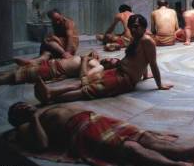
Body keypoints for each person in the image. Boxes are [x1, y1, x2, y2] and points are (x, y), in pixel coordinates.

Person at [7, 102, 194, 166]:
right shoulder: (27, 127)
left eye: (22, 103)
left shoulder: (43, 110)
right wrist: (33, 117)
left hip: (95, 119)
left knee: (142, 136)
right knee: (128, 147)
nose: (23, 106)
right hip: (81, 131)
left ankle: (191, 152)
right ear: (16, 119)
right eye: (18, 109)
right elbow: (42, 144)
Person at [34, 14, 173, 104]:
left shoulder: (147, 41)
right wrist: (143, 75)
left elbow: (152, 63)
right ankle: (51, 92)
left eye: (136, 27)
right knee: (85, 81)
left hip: (124, 79)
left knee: (87, 90)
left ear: (144, 27)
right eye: (131, 27)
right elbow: (141, 60)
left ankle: (52, 99)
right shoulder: (135, 39)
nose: (133, 30)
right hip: (118, 71)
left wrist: (159, 85)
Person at [0, 52, 103, 87]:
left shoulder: (98, 66)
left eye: (114, 60)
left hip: (52, 71)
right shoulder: (95, 58)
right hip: (51, 64)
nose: (111, 58)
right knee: (16, 71)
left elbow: (83, 77)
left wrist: (84, 60)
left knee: (13, 77)